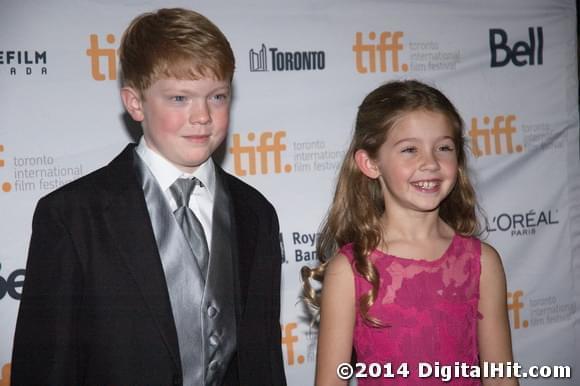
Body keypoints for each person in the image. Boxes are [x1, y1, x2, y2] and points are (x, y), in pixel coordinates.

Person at [11, 8, 286, 386]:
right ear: (135, 103)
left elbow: (264, 362)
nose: (202, 116)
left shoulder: (256, 213)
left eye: (217, 96)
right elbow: (46, 368)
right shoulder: (72, 216)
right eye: (179, 98)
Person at [302, 80, 517, 385]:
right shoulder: (350, 271)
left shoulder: (482, 262)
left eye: (443, 147)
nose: (430, 163)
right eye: (409, 150)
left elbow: (502, 378)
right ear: (370, 163)